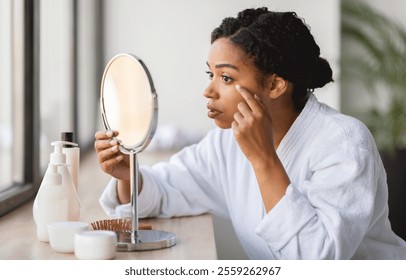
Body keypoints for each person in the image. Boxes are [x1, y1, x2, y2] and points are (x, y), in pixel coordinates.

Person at [94, 7, 406, 259]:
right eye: (211, 74)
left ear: (274, 84)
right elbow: (168, 191)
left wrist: (263, 159)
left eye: (226, 78)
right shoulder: (226, 142)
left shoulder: (345, 144)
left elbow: (314, 261)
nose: (208, 91)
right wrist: (128, 175)